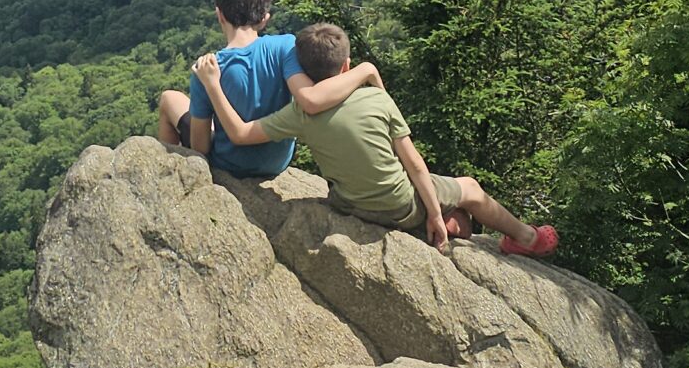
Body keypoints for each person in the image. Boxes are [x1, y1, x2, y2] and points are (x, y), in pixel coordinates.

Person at [192, 21, 558, 257]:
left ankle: (447, 221)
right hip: (398, 203)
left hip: (349, 205)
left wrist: (212, 85)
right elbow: (415, 165)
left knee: (458, 214)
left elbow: (239, 133)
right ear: (347, 66)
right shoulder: (376, 98)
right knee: (471, 190)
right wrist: (432, 213)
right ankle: (526, 238)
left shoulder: (299, 114)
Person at [154, 0, 383, 180]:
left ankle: (168, 179)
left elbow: (200, 148)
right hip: (276, 164)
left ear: (219, 15)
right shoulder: (286, 46)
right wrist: (365, 70)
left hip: (229, 165)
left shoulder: (206, 68)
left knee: (169, 99)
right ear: (265, 18)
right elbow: (309, 97)